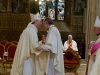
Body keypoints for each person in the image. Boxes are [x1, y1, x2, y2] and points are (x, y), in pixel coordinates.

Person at [10, 10, 43, 75]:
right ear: (36, 22)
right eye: (40, 22)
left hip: (25, 55)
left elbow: (32, 44)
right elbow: (35, 47)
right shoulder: (32, 31)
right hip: (27, 57)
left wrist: (41, 42)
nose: (41, 24)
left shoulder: (28, 29)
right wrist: (44, 46)